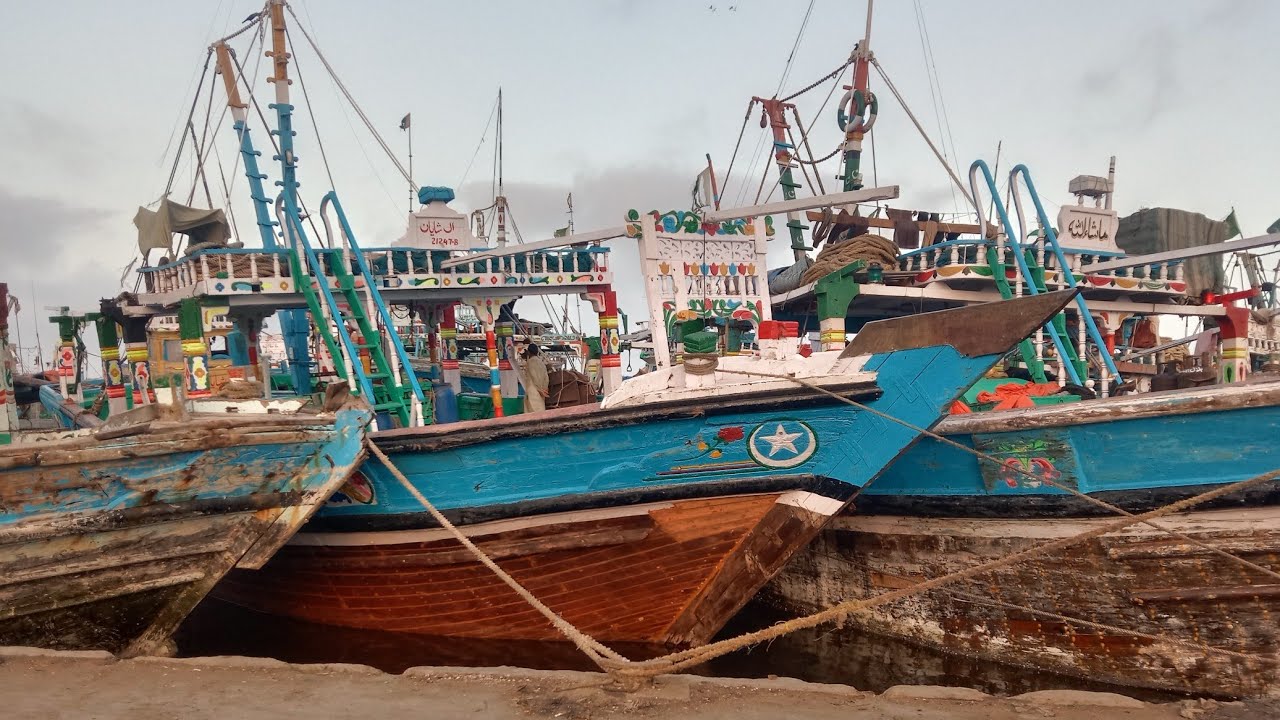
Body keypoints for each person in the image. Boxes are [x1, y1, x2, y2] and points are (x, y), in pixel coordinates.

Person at [518, 343, 550, 412]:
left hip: (533, 391)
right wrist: (544, 389)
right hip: (541, 392)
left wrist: (539, 389)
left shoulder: (530, 362)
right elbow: (546, 378)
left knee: (532, 413)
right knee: (541, 412)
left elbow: (534, 377)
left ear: (529, 352)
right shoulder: (541, 363)